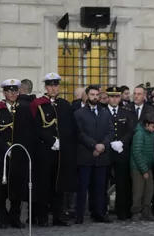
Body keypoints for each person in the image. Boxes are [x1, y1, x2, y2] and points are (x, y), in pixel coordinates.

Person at [0, 79, 33, 229]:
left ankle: (15, 217)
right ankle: (2, 217)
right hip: (2, 156)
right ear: (4, 92)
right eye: (9, 91)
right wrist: (6, 149)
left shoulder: (24, 109)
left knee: (18, 188)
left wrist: (19, 149)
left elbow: (29, 132)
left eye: (15, 91)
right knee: (1, 189)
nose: (12, 93)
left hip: (19, 155)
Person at [31, 73, 78, 227]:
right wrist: (51, 140)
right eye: (50, 85)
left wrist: (64, 143)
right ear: (46, 87)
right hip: (45, 151)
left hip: (61, 152)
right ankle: (42, 217)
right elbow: (36, 127)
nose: (53, 88)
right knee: (43, 185)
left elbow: (70, 128)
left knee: (59, 185)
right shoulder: (39, 105)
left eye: (56, 85)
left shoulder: (64, 104)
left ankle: (58, 216)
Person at [74, 85, 115, 224]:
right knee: (82, 187)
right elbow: (80, 133)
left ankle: (99, 213)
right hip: (86, 155)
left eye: (97, 95)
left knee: (100, 187)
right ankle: (79, 215)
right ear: (86, 96)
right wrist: (94, 145)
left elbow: (111, 131)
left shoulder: (105, 112)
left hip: (102, 156)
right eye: (92, 94)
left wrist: (103, 144)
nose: (95, 97)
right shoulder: (79, 113)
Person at [106, 86, 135, 221]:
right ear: (108, 98)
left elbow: (130, 130)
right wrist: (110, 142)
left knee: (122, 183)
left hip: (121, 152)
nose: (114, 99)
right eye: (112, 96)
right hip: (106, 152)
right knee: (102, 183)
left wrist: (121, 142)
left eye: (117, 96)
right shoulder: (102, 111)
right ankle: (102, 209)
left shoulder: (126, 112)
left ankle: (122, 210)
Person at [130, 112, 154, 221]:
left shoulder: (150, 134)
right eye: (153, 126)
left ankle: (146, 211)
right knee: (138, 191)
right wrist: (144, 170)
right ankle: (136, 212)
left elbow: (151, 151)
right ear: (146, 124)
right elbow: (137, 153)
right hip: (138, 167)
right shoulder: (139, 134)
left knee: (149, 190)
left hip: (147, 166)